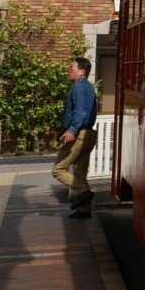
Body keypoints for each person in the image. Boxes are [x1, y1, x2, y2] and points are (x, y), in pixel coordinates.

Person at [54, 56, 97, 218]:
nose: (68, 71)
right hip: (89, 134)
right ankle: (85, 211)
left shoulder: (78, 87)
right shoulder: (88, 87)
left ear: (81, 71)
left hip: (79, 134)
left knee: (58, 170)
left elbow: (80, 112)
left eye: (71, 68)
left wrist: (71, 130)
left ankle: (84, 192)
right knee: (80, 174)